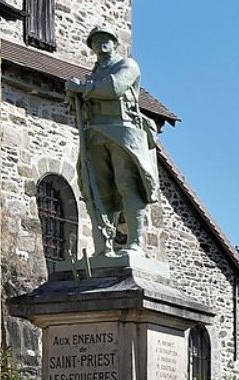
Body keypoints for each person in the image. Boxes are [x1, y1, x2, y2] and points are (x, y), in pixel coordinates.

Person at [66, 25, 159, 257]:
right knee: (99, 189)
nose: (100, 44)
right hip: (95, 133)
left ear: (115, 43)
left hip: (122, 131)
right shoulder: (92, 75)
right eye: (95, 41)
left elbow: (114, 88)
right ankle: (104, 247)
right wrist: (73, 94)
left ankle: (135, 242)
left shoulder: (127, 65)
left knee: (127, 184)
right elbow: (81, 104)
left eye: (105, 39)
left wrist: (83, 88)